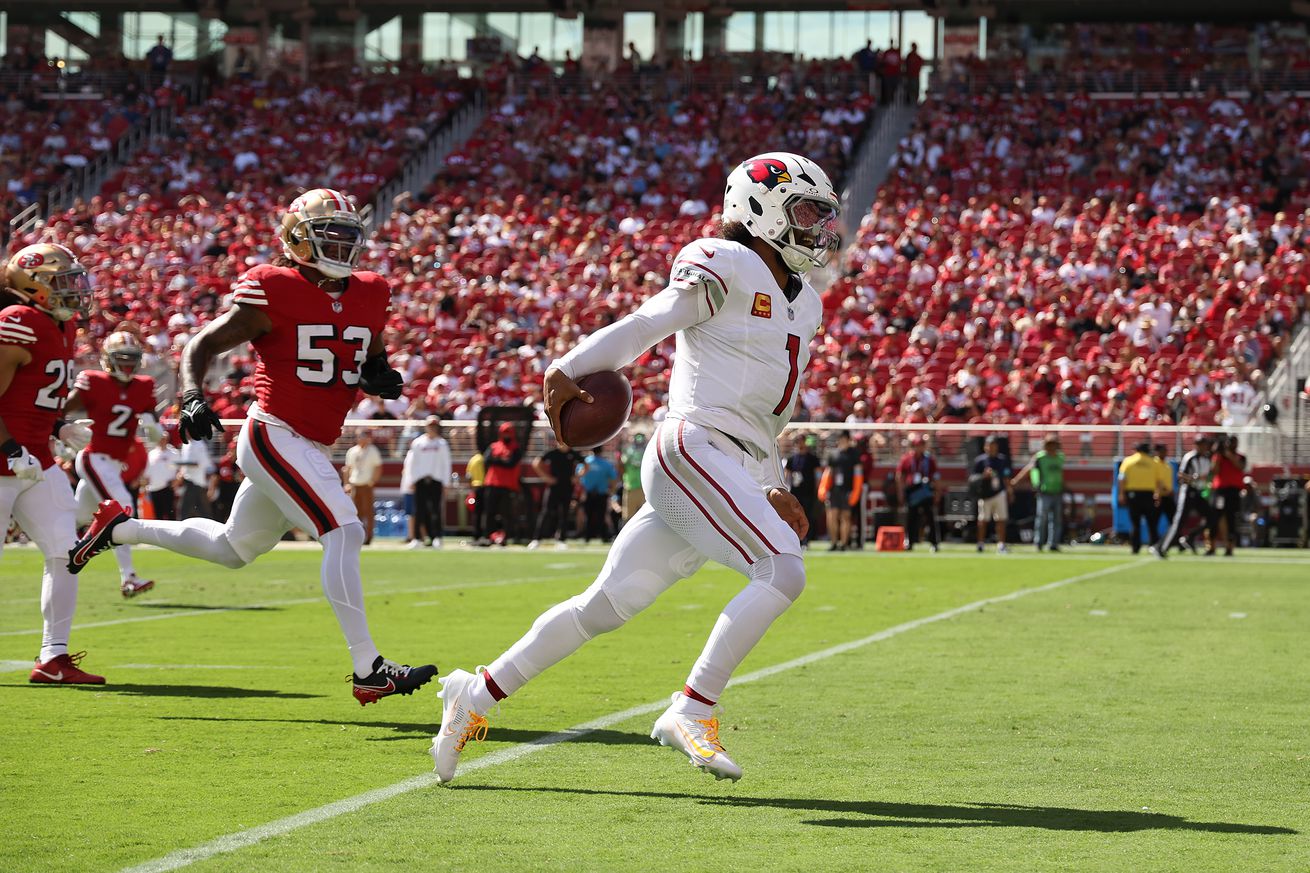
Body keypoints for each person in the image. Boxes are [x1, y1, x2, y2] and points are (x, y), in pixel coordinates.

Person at [432, 152, 839, 784]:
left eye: (822, 214)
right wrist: (569, 366)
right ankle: (692, 707)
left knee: (604, 606)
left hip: (732, 457)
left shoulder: (804, 301)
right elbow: (650, 322)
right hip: (692, 446)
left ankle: (475, 694)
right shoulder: (723, 260)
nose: (818, 227)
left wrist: (772, 482)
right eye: (807, 212)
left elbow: (762, 413)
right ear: (759, 209)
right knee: (782, 570)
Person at [69, 188, 436, 705]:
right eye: (329, 233)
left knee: (234, 548)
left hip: (310, 440)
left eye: (349, 234)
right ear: (296, 240)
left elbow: (370, 353)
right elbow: (202, 344)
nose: (342, 244)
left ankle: (121, 526)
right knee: (345, 531)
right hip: (275, 433)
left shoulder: (371, 290)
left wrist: (380, 376)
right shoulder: (273, 285)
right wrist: (193, 396)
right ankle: (368, 667)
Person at [0, 243, 102, 684]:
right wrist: (7, 447)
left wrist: (57, 425)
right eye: (62, 282)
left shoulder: (60, 326)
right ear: (33, 285)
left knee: (67, 552)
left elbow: (30, 390)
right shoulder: (17, 322)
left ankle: (53, 658)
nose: (74, 290)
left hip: (34, 459)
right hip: (8, 456)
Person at [63, 330, 162, 596]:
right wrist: (62, 428)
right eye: (122, 358)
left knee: (78, 517)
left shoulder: (144, 385)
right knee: (120, 513)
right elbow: (64, 409)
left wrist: (154, 425)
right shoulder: (93, 380)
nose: (128, 365)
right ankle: (129, 577)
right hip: (94, 457)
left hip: (113, 463)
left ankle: (62, 551)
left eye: (132, 359)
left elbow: (152, 416)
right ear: (108, 359)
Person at [405, 416, 451, 548]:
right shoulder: (418, 443)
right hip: (420, 480)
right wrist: (412, 480)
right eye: (430, 426)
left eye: (435, 426)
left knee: (436, 510)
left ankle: (437, 537)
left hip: (436, 480)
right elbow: (412, 463)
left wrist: (446, 483)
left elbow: (446, 464)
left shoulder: (442, 443)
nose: (432, 428)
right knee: (419, 510)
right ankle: (417, 539)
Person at [1013, 435, 1064, 552]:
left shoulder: (1060, 457)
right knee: (1042, 518)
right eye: (1049, 444)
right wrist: (1016, 480)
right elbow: (1029, 469)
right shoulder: (1039, 458)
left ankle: (1053, 544)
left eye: (1053, 444)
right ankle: (1039, 543)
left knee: (1056, 520)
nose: (1051, 447)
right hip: (1044, 492)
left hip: (1057, 491)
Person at [1163, 435, 1213, 554]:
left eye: (1204, 445)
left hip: (1199, 492)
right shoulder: (1190, 457)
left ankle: (1190, 537)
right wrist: (1194, 478)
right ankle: (1162, 547)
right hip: (1188, 491)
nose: (1203, 447)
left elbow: (1208, 475)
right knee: (1179, 521)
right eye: (1201, 444)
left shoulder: (1207, 458)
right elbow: (1181, 476)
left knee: (1212, 518)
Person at [529, 439, 581, 549]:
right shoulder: (552, 453)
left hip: (567, 488)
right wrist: (546, 477)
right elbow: (536, 463)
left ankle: (561, 540)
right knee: (545, 512)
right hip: (553, 488)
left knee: (564, 513)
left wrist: (577, 477)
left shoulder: (573, 454)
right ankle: (536, 539)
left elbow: (586, 465)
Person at [1118, 442, 1164, 557]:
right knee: (1152, 523)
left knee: (1135, 523)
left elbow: (1121, 479)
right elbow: (1159, 481)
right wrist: (1158, 494)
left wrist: (1121, 494)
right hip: (1148, 494)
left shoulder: (1128, 461)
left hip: (1133, 495)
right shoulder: (1153, 462)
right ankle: (1154, 546)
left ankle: (1135, 547)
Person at [819, 431, 863, 551]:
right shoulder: (833, 454)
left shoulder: (854, 454)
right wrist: (824, 488)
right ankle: (833, 542)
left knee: (846, 516)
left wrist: (856, 491)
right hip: (835, 489)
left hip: (847, 489)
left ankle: (843, 543)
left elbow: (858, 473)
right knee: (832, 516)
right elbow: (828, 472)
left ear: (848, 440)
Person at [482, 421, 523, 545]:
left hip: (508, 485)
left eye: (509, 433)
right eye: (504, 433)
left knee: (507, 513)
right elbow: (487, 460)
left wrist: (497, 460)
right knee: (490, 511)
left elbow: (511, 464)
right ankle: (489, 536)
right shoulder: (494, 446)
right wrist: (502, 460)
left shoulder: (516, 448)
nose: (506, 435)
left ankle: (508, 536)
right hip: (492, 483)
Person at [896, 434, 939, 551]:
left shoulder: (929, 460)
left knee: (929, 517)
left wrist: (936, 492)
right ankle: (909, 541)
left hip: (925, 491)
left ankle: (933, 543)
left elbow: (935, 477)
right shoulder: (906, 459)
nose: (919, 448)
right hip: (912, 491)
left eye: (921, 446)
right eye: (916, 446)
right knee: (911, 518)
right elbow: (900, 476)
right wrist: (901, 492)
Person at [971, 435, 1013, 553]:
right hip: (985, 494)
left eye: (993, 445)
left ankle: (1001, 544)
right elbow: (972, 479)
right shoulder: (980, 461)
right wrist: (983, 476)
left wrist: (1009, 491)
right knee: (983, 520)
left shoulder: (1002, 460)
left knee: (1001, 519)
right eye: (989, 445)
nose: (991, 448)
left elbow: (1006, 477)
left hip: (999, 492)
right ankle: (980, 543)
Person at [343, 431, 383, 544]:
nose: (361, 438)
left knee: (368, 511)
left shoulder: (372, 450)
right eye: (359, 436)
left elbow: (378, 467)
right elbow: (348, 468)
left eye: (363, 436)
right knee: (356, 511)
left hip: (366, 484)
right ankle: (358, 535)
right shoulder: (352, 451)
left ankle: (369, 536)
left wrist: (372, 481)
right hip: (355, 484)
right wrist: (347, 483)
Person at [1209, 435, 1246, 556]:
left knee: (1231, 520)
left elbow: (1240, 466)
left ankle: (1229, 548)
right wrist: (1219, 456)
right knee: (1214, 517)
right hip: (1220, 491)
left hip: (1233, 492)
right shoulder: (1219, 456)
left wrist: (1229, 455)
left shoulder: (1240, 457)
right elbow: (1214, 471)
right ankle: (1212, 547)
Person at [784, 434, 822, 545]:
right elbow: (787, 475)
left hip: (808, 491)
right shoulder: (792, 459)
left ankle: (807, 539)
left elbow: (818, 475)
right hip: (796, 492)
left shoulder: (813, 459)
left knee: (808, 515)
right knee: (795, 515)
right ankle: (796, 538)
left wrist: (817, 489)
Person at [578, 446, 619, 543]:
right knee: (601, 515)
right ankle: (603, 536)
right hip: (601, 492)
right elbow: (613, 478)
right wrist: (612, 490)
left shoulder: (585, 462)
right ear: (601, 451)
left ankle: (587, 536)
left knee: (588, 515)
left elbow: (579, 475)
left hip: (588, 492)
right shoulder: (606, 463)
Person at [176, 432, 212, 519]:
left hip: (197, 482)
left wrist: (189, 465)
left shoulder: (200, 444)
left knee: (187, 510)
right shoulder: (185, 445)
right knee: (199, 510)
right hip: (188, 481)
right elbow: (184, 463)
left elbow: (204, 463)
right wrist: (181, 473)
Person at [144, 433, 179, 521]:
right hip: (154, 488)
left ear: (167, 439)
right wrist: (145, 486)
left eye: (164, 439)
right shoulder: (152, 454)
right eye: (160, 439)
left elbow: (181, 469)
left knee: (170, 514)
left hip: (167, 487)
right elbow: (148, 472)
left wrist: (177, 480)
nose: (162, 441)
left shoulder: (174, 453)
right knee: (157, 516)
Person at [1153, 444, 1178, 552]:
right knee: (1154, 522)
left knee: (1175, 521)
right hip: (1158, 496)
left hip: (1168, 497)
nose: (1165, 453)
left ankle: (1174, 542)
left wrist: (1171, 490)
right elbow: (1156, 481)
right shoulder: (1154, 464)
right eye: (1163, 451)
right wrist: (1158, 494)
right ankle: (1154, 543)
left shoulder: (1168, 465)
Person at [619, 432, 646, 520]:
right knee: (628, 517)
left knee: (644, 517)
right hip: (631, 487)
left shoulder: (647, 451)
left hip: (644, 488)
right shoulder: (628, 451)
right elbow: (621, 465)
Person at [466, 447, 487, 544]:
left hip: (475, 487)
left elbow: (468, 476)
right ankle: (484, 534)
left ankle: (476, 534)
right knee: (484, 513)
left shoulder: (472, 460)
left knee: (476, 513)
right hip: (484, 486)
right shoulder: (484, 459)